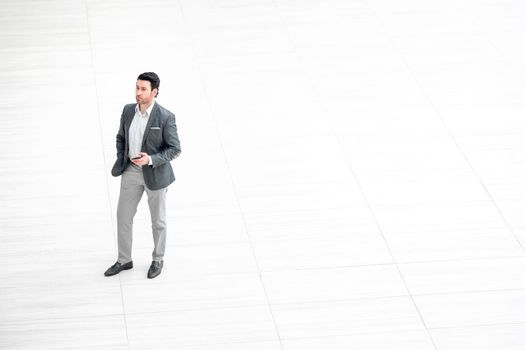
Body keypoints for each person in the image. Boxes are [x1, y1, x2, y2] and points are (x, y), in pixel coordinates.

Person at [104, 72, 181, 279]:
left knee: (158, 221)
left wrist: (150, 159)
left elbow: (175, 149)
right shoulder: (128, 111)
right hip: (130, 171)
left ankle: (158, 259)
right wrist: (123, 157)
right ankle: (124, 260)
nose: (138, 92)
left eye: (143, 89)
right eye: (137, 87)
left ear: (154, 92)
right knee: (123, 217)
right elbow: (121, 137)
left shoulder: (165, 117)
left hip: (155, 174)